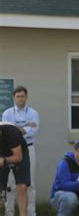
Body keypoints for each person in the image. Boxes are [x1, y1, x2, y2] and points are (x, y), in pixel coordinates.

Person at [1, 86, 39, 216]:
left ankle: (30, 213)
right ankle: (9, 212)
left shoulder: (33, 113)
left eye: (22, 96)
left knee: (28, 183)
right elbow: (9, 132)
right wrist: (25, 127)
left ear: (26, 97)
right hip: (9, 151)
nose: (20, 99)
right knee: (9, 184)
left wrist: (17, 128)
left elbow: (32, 131)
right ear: (14, 98)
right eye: (18, 96)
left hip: (28, 148)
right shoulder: (7, 113)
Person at [0, 122, 30, 216]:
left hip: (20, 153)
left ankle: (22, 214)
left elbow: (18, 157)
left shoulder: (11, 132)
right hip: (2, 154)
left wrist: (4, 160)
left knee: (22, 187)